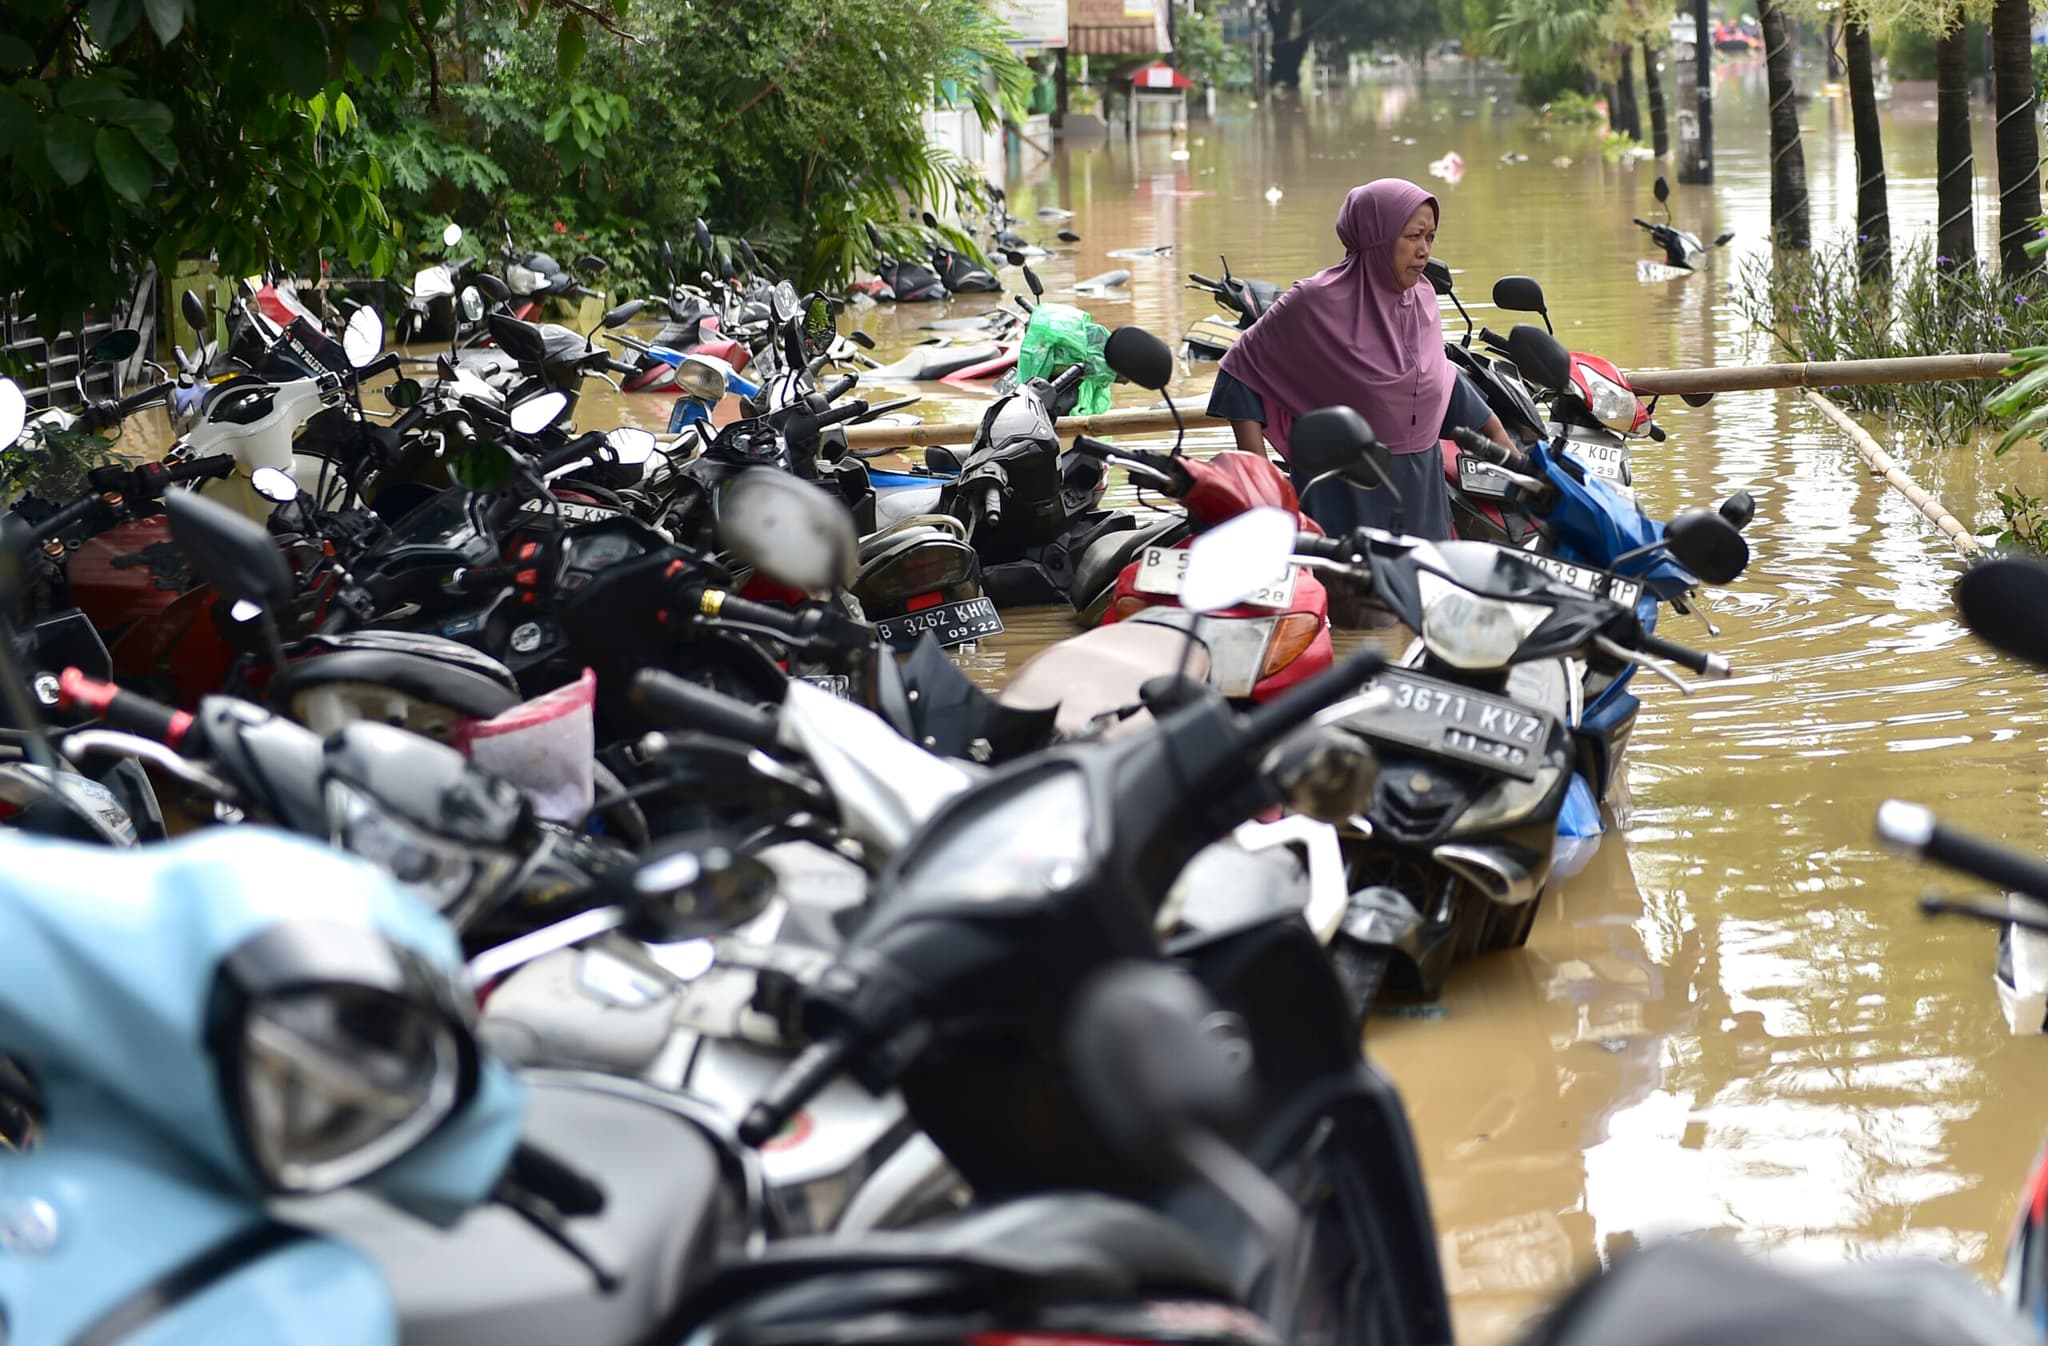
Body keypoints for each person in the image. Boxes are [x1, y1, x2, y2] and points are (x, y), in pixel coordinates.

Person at [1206, 178, 1511, 540]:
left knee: (1429, 590)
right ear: (1377, 237)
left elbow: (1439, 380)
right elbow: (1240, 370)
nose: (1424, 250)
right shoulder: (1316, 301)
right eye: (1413, 236)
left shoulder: (1423, 298)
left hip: (1422, 495)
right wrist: (1263, 489)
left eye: (1430, 237)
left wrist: (1513, 459)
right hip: (1343, 498)